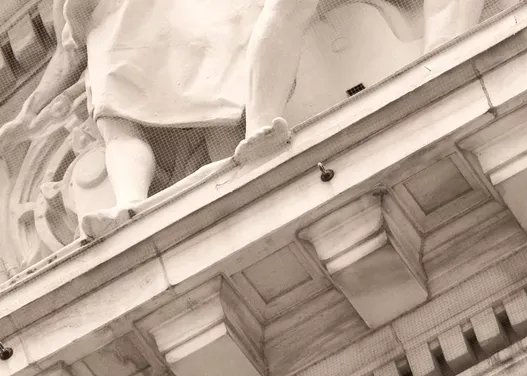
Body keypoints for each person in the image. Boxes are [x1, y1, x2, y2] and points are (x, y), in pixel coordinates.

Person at [0, 0, 321, 238]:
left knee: (205, 89)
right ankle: (128, 202)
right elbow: (67, 52)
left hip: (164, 27)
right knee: (115, 125)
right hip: (111, 45)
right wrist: (29, 113)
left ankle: (250, 141)